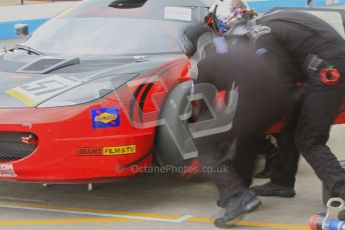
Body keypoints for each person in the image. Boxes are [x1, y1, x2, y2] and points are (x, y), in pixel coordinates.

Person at [206, 0, 345, 222]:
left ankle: (342, 191)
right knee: (293, 123)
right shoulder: (266, 24)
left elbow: (278, 83)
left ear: (224, 23)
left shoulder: (262, 33)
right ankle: (282, 182)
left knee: (309, 139)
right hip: (324, 66)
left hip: (328, 69)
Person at [181, 21, 291, 228]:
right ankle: (241, 190)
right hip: (281, 97)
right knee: (247, 138)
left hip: (253, 101)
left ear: (190, 45)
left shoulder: (202, 62)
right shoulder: (234, 43)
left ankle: (237, 194)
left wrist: (198, 154)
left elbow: (199, 108)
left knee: (204, 144)